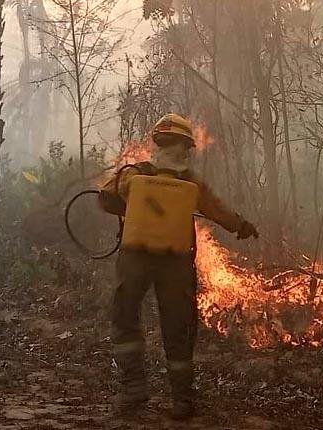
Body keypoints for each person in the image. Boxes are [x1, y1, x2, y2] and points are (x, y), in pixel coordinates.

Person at [99, 113, 259, 419]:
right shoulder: (191, 182)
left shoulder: (134, 174)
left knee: (125, 317)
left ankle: (133, 392)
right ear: (186, 148)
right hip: (175, 263)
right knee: (178, 326)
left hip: (135, 258)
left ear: (157, 143)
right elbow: (217, 210)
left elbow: (106, 198)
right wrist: (241, 225)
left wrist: (134, 209)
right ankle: (182, 401)